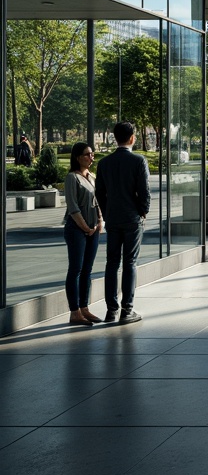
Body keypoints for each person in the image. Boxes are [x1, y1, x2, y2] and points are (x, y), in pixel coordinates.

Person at [95, 121, 150, 325]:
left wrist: (108, 212)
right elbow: (144, 191)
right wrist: (143, 211)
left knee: (111, 263)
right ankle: (127, 310)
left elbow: (99, 192)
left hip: (114, 218)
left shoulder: (104, 163)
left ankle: (111, 311)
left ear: (114, 138)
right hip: (132, 218)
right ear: (132, 138)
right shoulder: (138, 161)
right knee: (130, 262)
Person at [63, 142, 103, 327]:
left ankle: (84, 307)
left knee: (88, 269)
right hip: (77, 229)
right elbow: (73, 207)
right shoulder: (72, 178)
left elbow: (98, 202)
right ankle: (75, 312)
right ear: (78, 157)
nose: (91, 157)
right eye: (87, 154)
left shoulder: (92, 177)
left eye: (92, 154)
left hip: (93, 229)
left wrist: (100, 221)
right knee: (76, 269)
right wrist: (85, 227)